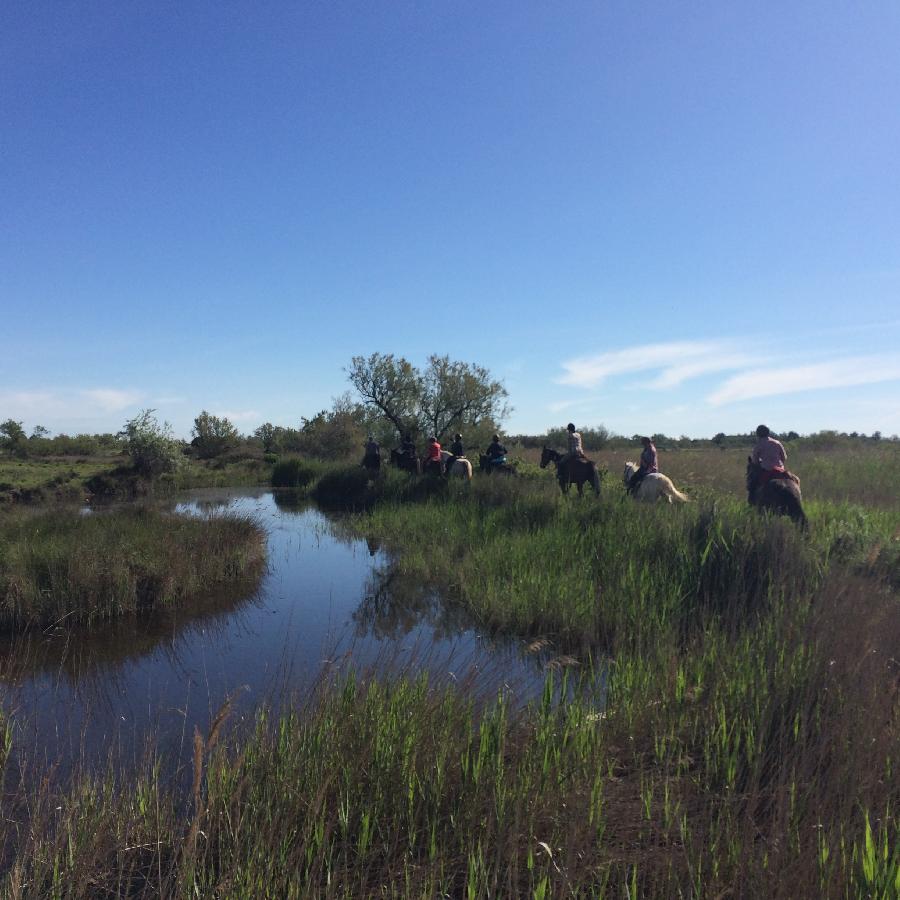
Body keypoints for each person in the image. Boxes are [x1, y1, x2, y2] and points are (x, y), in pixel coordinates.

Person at [749, 424, 791, 500]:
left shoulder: (758, 445)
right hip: (780, 470)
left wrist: (760, 464)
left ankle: (751, 500)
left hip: (766, 469)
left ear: (758, 434)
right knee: (794, 480)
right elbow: (784, 457)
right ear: (768, 432)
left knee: (752, 483)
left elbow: (755, 461)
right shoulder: (777, 443)